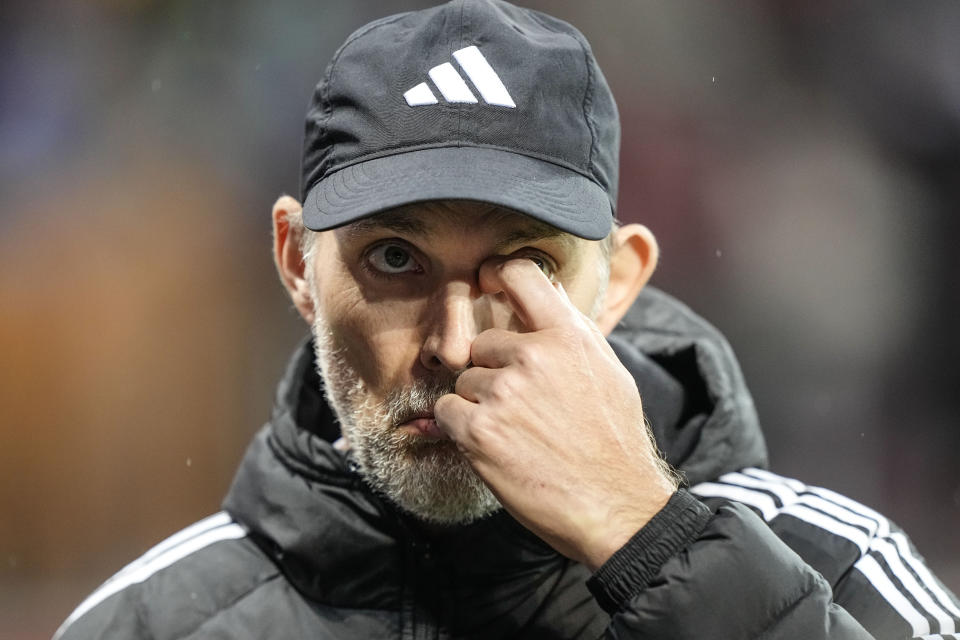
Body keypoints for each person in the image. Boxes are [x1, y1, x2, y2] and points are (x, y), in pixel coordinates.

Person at [55, 1, 960, 638]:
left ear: (618, 282)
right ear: (297, 263)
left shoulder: (835, 570)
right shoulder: (152, 623)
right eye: (395, 260)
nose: (454, 345)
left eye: (524, 266)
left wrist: (646, 536)